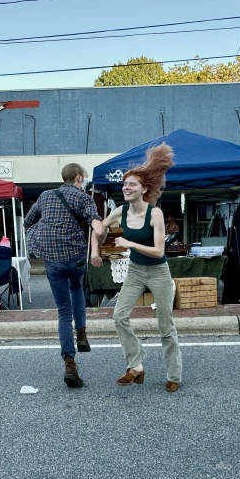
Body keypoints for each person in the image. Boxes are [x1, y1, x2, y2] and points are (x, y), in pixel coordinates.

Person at [92, 143, 182, 393]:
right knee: (118, 315)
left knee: (166, 325)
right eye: (124, 185)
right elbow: (97, 226)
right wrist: (94, 247)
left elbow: (159, 251)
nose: (126, 188)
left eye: (131, 184)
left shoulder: (155, 214)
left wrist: (130, 243)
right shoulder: (119, 211)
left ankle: (174, 374)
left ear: (144, 189)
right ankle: (136, 364)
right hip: (135, 270)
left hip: (158, 271)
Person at [24, 163, 104, 387]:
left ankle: (70, 362)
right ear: (78, 177)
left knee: (62, 311)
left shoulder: (46, 195)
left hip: (52, 259)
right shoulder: (84, 198)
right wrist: (99, 231)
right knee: (77, 288)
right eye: (85, 177)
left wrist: (40, 238)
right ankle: (81, 333)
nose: (86, 180)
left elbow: (28, 221)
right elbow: (94, 222)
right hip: (76, 256)